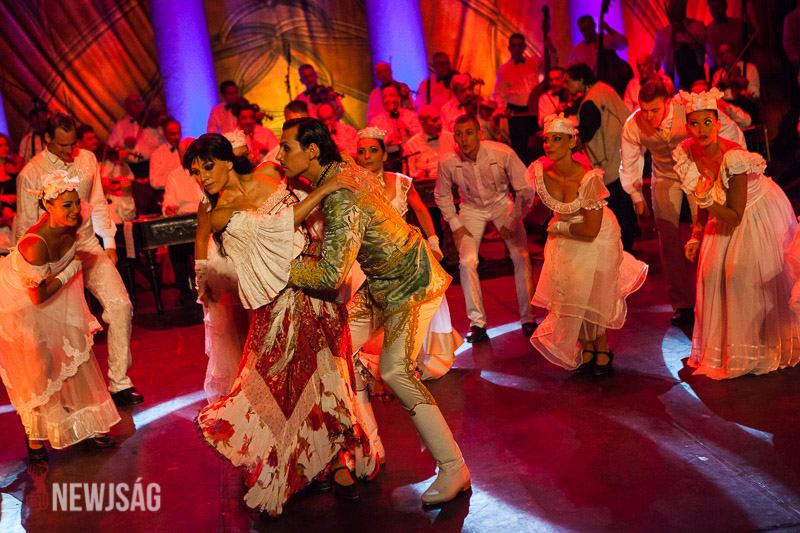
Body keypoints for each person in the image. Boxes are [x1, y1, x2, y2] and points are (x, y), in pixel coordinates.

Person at [279, 118, 470, 506]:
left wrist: (276, 268)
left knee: (395, 371)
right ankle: (363, 449)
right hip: (381, 285)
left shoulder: (341, 195)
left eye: (286, 147)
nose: (279, 155)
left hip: (410, 283)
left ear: (312, 151)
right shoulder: (339, 170)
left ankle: (454, 467)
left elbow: (330, 275)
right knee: (331, 352)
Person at [189, 133, 378, 516]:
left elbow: (310, 181)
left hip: (318, 291)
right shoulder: (218, 211)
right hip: (276, 306)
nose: (202, 177)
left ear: (228, 159)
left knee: (328, 380)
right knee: (279, 389)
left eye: (207, 166)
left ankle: (337, 465)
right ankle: (284, 468)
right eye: (195, 172)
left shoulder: (271, 171)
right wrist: (204, 281)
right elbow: (278, 227)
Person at [16, 114, 143, 406]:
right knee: (61, 329)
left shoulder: (87, 159)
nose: (69, 150)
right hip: (53, 256)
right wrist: (34, 272)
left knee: (120, 306)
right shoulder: (30, 173)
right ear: (47, 139)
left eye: (72, 144)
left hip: (86, 245)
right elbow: (25, 226)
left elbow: (97, 201)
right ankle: (64, 395)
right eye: (62, 145)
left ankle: (120, 383)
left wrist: (108, 242)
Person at [674, 89, 800, 379]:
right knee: (709, 274)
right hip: (721, 210)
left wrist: (706, 201)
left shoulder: (734, 158)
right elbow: (703, 190)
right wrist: (696, 233)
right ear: (687, 127)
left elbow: (735, 214)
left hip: (754, 212)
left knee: (738, 274)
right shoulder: (688, 152)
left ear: (718, 124)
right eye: (695, 123)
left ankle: (759, 348)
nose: (702, 129)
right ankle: (723, 349)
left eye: (708, 122)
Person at [0, 170, 120, 461]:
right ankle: (35, 438)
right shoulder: (34, 244)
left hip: (53, 289)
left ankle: (89, 425)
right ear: (48, 206)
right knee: (39, 365)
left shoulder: (74, 220)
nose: (75, 209)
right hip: (20, 302)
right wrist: (70, 270)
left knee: (75, 351)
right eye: (67, 205)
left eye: (76, 203)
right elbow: (37, 296)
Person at [527, 114, 647, 374]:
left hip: (597, 235)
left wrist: (558, 227)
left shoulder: (588, 178)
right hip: (564, 237)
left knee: (592, 292)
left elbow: (591, 230)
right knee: (571, 292)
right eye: (546, 140)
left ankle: (602, 347)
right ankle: (587, 346)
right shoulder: (539, 172)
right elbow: (539, 207)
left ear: (572, 143)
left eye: (557, 139)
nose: (549, 145)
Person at [619, 81, 746, 327]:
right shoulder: (634, 124)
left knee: (705, 233)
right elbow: (630, 158)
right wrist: (636, 196)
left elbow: (729, 130)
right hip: (665, 176)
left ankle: (708, 298)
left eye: (654, 110)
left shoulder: (686, 110)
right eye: (645, 110)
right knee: (667, 237)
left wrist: (731, 169)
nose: (649, 116)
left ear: (667, 103)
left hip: (696, 172)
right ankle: (682, 305)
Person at [356, 126, 462, 380]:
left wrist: (433, 241)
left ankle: (414, 361)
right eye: (362, 151)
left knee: (417, 309)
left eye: (373, 150)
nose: (367, 156)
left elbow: (422, 210)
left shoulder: (400, 181)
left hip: (407, 255)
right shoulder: (354, 187)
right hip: (372, 259)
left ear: (384, 154)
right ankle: (388, 363)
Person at [436, 114, 537, 342]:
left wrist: (512, 220)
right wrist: (455, 224)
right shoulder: (448, 162)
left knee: (520, 255)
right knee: (467, 261)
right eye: (459, 135)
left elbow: (525, 188)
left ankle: (528, 317)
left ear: (480, 134)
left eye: (468, 133)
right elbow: (441, 195)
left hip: (501, 203)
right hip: (470, 207)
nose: (464, 139)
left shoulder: (502, 153)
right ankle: (477, 324)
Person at [564, 63, 637, 252]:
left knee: (618, 206)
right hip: (624, 151)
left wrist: (568, 135)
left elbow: (587, 131)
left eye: (568, 81)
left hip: (610, 158)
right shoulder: (603, 89)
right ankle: (628, 242)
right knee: (624, 201)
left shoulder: (591, 100)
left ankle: (624, 248)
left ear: (580, 80)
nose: (566, 86)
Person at [494, 33, 554, 164]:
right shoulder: (505, 69)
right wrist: (500, 110)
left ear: (524, 47)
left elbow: (552, 64)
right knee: (519, 150)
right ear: (509, 48)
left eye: (519, 45)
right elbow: (498, 93)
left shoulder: (534, 62)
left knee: (538, 147)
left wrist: (550, 49)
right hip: (516, 113)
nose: (516, 49)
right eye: (514, 46)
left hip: (534, 111)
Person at [163, 137, 203, 307]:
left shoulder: (208, 169)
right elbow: (169, 202)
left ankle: (210, 285)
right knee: (176, 247)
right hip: (186, 222)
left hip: (207, 219)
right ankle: (185, 291)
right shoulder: (174, 177)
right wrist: (170, 208)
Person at [652, 0, 707, 91]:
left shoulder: (697, 26)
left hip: (695, 75)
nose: (672, 11)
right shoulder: (662, 33)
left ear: (683, 6)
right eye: (670, 8)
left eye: (674, 7)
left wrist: (680, 31)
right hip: (671, 76)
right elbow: (656, 58)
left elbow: (700, 48)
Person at [107, 94, 165, 178]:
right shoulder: (121, 125)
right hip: (130, 167)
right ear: (126, 108)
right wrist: (124, 143)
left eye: (139, 101)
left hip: (152, 164)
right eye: (133, 103)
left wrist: (159, 125)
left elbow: (163, 142)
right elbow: (112, 146)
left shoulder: (153, 122)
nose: (137, 104)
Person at [368, 85, 422, 161]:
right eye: (384, 97)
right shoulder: (376, 122)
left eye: (391, 95)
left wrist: (408, 130)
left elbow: (421, 135)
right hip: (388, 159)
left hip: (411, 156)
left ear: (398, 98)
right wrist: (387, 139)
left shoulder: (411, 115)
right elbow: (371, 143)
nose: (387, 99)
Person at [404, 104, 457, 180]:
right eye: (434, 120)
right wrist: (418, 175)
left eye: (439, 118)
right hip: (426, 183)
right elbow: (408, 174)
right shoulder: (411, 145)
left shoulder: (451, 138)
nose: (439, 122)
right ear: (423, 123)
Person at [706, 0, 751, 75]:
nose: (716, 11)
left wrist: (749, 25)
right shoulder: (708, 30)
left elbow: (752, 39)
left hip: (739, 66)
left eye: (719, 7)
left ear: (725, 6)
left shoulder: (738, 24)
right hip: (718, 70)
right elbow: (714, 55)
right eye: (713, 8)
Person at [232, 100, 279, 165]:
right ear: (238, 119)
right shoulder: (232, 135)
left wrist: (267, 152)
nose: (249, 121)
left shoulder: (266, 133)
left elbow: (278, 154)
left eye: (251, 117)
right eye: (244, 118)